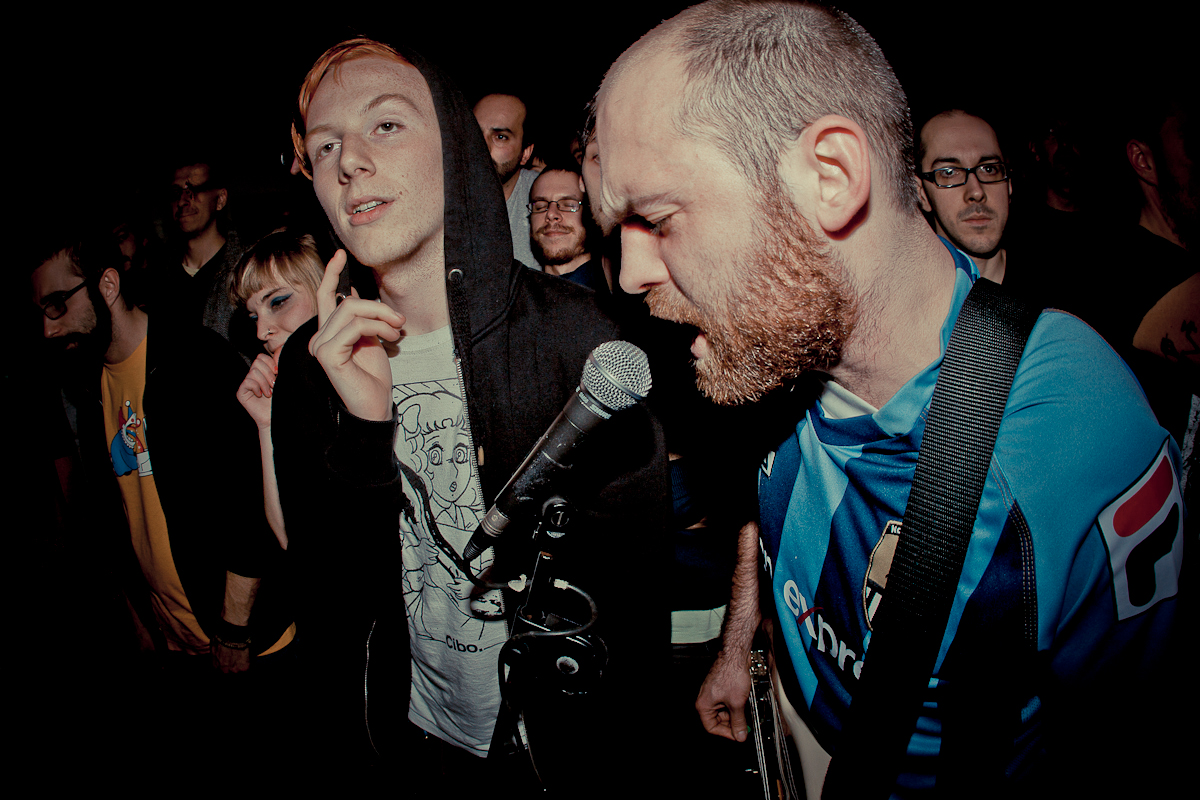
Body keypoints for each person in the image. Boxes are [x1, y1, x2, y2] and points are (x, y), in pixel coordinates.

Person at [592, 2, 1184, 796]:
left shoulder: (1072, 439)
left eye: (656, 218)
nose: (632, 273)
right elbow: (760, 507)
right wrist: (742, 648)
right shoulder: (784, 335)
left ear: (830, 178)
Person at [272, 38, 669, 790]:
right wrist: (365, 432)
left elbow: (631, 613)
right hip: (403, 740)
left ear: (454, 146)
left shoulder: (579, 344)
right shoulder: (310, 364)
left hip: (551, 756)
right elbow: (332, 601)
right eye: (324, 146)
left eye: (385, 124)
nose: (349, 160)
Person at [30, 228, 296, 767]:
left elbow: (250, 507)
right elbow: (114, 514)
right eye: (41, 310)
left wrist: (234, 633)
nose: (48, 327)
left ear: (107, 286)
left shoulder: (196, 360)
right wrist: (137, 614)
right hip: (175, 644)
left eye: (58, 304)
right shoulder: (89, 385)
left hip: (250, 645)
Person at [229, 229, 324, 549]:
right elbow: (289, 536)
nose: (261, 331)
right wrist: (267, 424)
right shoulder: (298, 400)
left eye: (279, 302)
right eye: (253, 316)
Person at [916, 110, 1011, 283]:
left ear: (1009, 185)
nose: (976, 192)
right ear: (921, 193)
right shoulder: (898, 294)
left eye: (989, 169)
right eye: (949, 172)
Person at [474, 93, 542, 270]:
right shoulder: (437, 199)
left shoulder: (546, 198)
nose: (482, 146)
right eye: (474, 133)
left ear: (525, 153)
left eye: (500, 137)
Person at [528, 165, 610, 294]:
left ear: (591, 214)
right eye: (540, 207)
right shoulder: (518, 296)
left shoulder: (614, 300)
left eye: (568, 205)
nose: (551, 214)